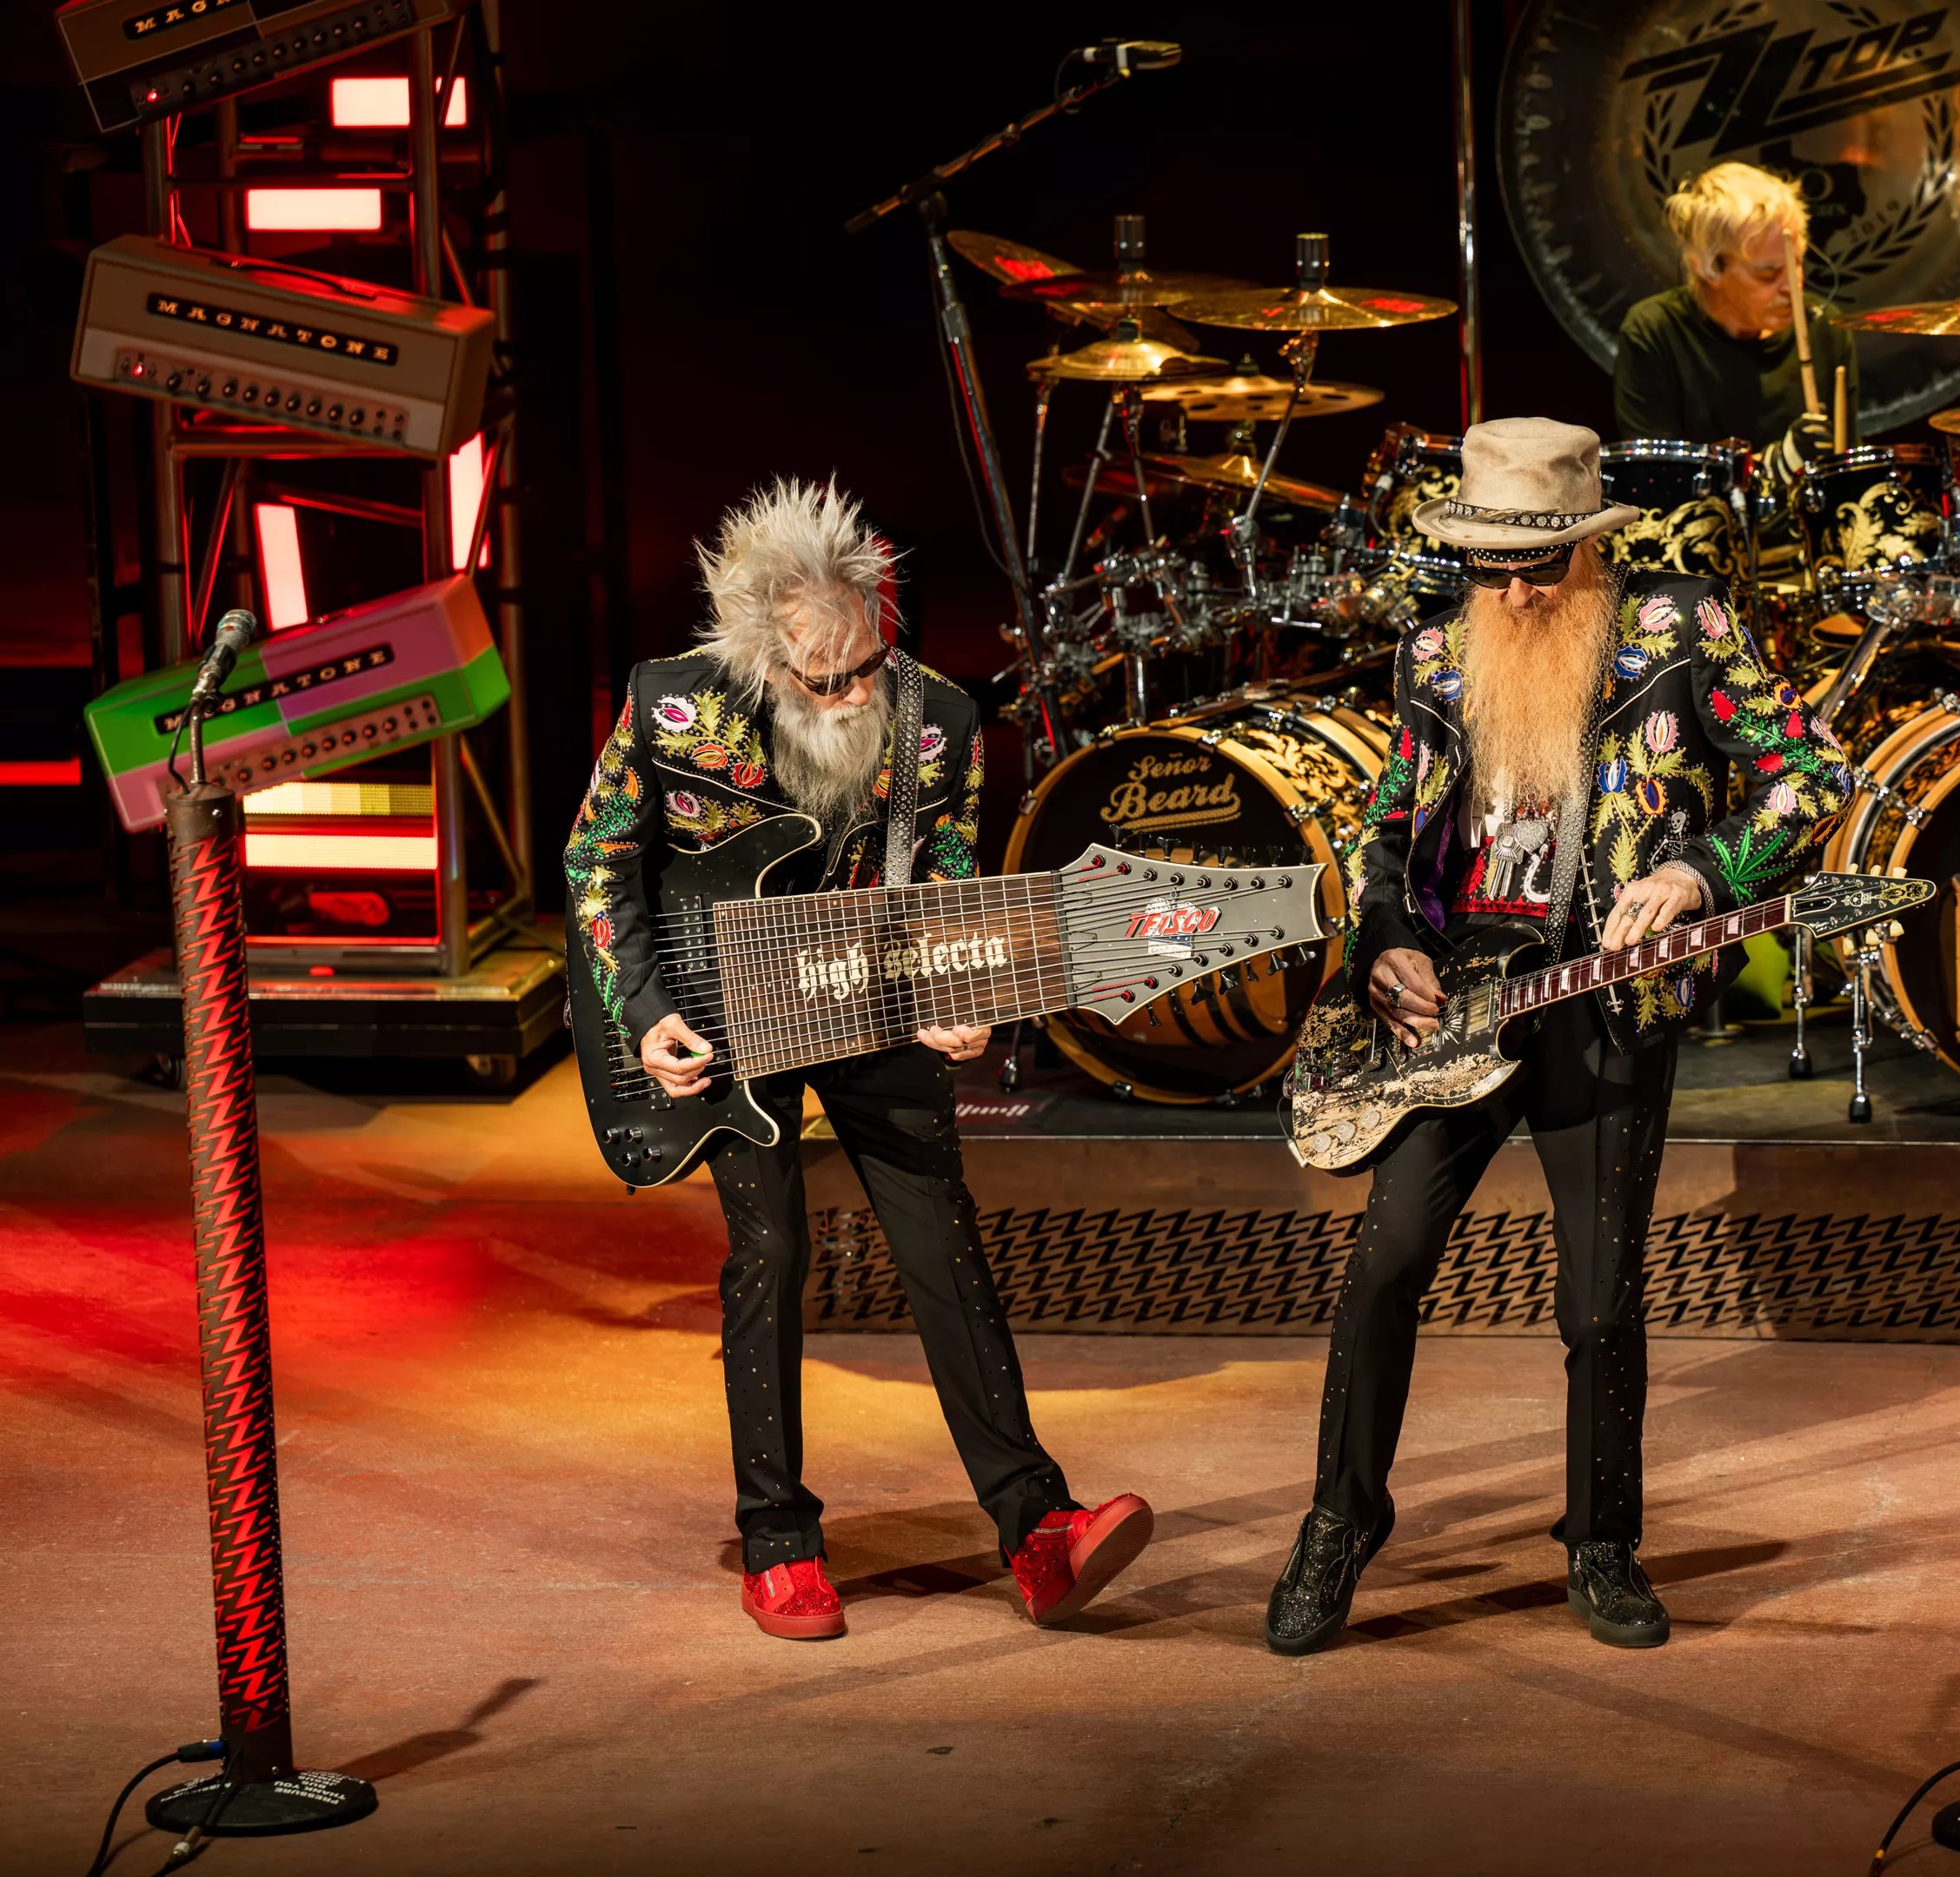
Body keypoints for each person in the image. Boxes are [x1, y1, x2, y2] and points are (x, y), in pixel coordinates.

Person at [1262, 419, 1854, 1655]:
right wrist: (1383, 938)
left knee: (1597, 1303)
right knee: (1385, 1263)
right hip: (1459, 1006)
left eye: (1541, 565)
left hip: (1603, 996)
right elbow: (1386, 827)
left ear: (1590, 547)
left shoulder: (1683, 627)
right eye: (1492, 568)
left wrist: (1699, 873)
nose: (1517, 591)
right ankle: (1339, 1523)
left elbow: (1813, 775)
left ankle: (1602, 1540)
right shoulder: (1433, 650)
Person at [562, 478, 1151, 1641]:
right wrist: (640, 1011)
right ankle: (778, 1541)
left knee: (942, 1235)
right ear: (755, 651)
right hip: (722, 1010)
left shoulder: (944, 720)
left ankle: (1036, 1524)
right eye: (814, 678)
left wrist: (963, 999)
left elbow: (941, 884)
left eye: (862, 670)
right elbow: (597, 864)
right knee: (772, 1251)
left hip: (866, 991)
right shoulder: (670, 704)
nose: (842, 696)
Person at [1613, 162, 1849, 472]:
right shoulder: (1654, 332)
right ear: (1707, 267)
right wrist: (1778, 465)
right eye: (1769, 273)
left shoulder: (1823, 326)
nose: (1793, 287)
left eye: (1797, 264)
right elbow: (1657, 482)